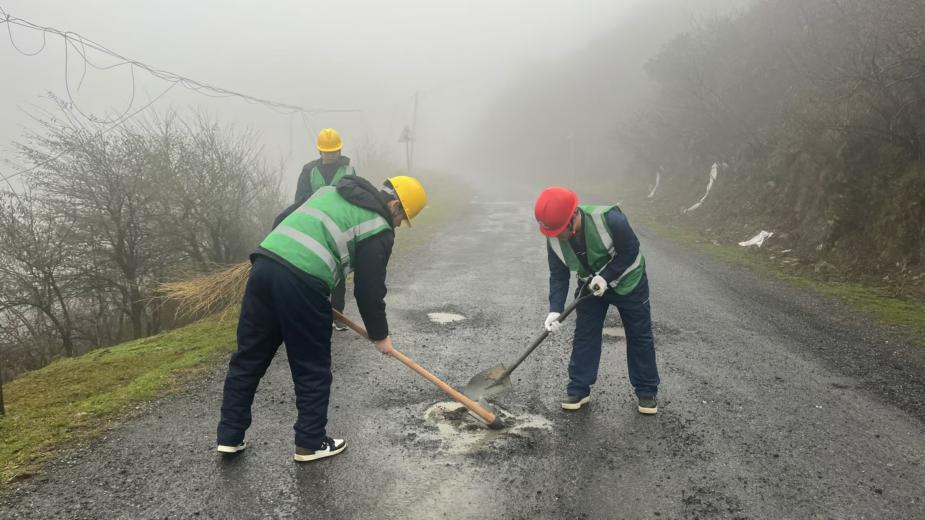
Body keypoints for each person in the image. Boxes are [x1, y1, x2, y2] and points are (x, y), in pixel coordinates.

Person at [216, 175, 427, 462]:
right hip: (303, 280)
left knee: (249, 357)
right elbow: (369, 289)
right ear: (394, 205)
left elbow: (282, 218)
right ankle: (310, 442)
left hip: (264, 265)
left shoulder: (330, 191)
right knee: (311, 364)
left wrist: (285, 265)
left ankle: (229, 436)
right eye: (403, 218)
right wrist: (380, 336)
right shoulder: (379, 227)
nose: (400, 224)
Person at [534, 186, 660, 414]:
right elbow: (559, 273)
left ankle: (646, 392)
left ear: (574, 215)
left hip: (629, 282)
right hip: (590, 285)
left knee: (639, 335)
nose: (559, 237)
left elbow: (631, 250)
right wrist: (555, 309)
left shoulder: (611, 219)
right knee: (585, 335)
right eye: (554, 232)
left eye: (562, 230)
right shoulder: (553, 236)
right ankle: (578, 389)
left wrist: (607, 276)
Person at [296, 128, 355, 331]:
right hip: (313, 228)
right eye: (326, 152)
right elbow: (299, 200)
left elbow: (353, 202)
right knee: (313, 270)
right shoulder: (308, 170)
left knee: (338, 270)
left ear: (340, 151)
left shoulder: (349, 171)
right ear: (320, 152)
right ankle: (315, 314)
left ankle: (337, 314)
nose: (330, 155)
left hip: (339, 229)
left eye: (334, 151)